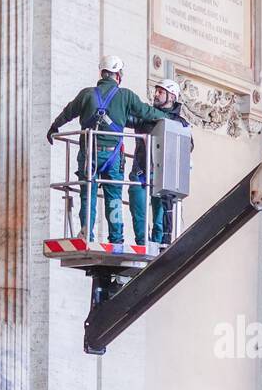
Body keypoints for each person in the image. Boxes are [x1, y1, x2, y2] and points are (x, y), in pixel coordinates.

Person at [47, 56, 170, 244]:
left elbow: (68, 112)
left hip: (89, 155)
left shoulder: (86, 94)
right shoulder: (125, 96)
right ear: (118, 75)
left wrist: (54, 127)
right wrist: (168, 118)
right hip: (113, 156)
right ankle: (116, 238)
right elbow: (147, 112)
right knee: (113, 197)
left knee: (88, 195)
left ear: (101, 73)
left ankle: (86, 235)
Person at [127, 78, 189, 248]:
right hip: (141, 171)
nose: (156, 94)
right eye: (156, 91)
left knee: (160, 219)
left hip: (163, 175)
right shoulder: (144, 116)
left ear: (172, 97)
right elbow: (127, 118)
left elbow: (188, 146)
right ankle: (142, 244)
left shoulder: (180, 123)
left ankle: (159, 245)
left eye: (161, 92)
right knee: (137, 207)